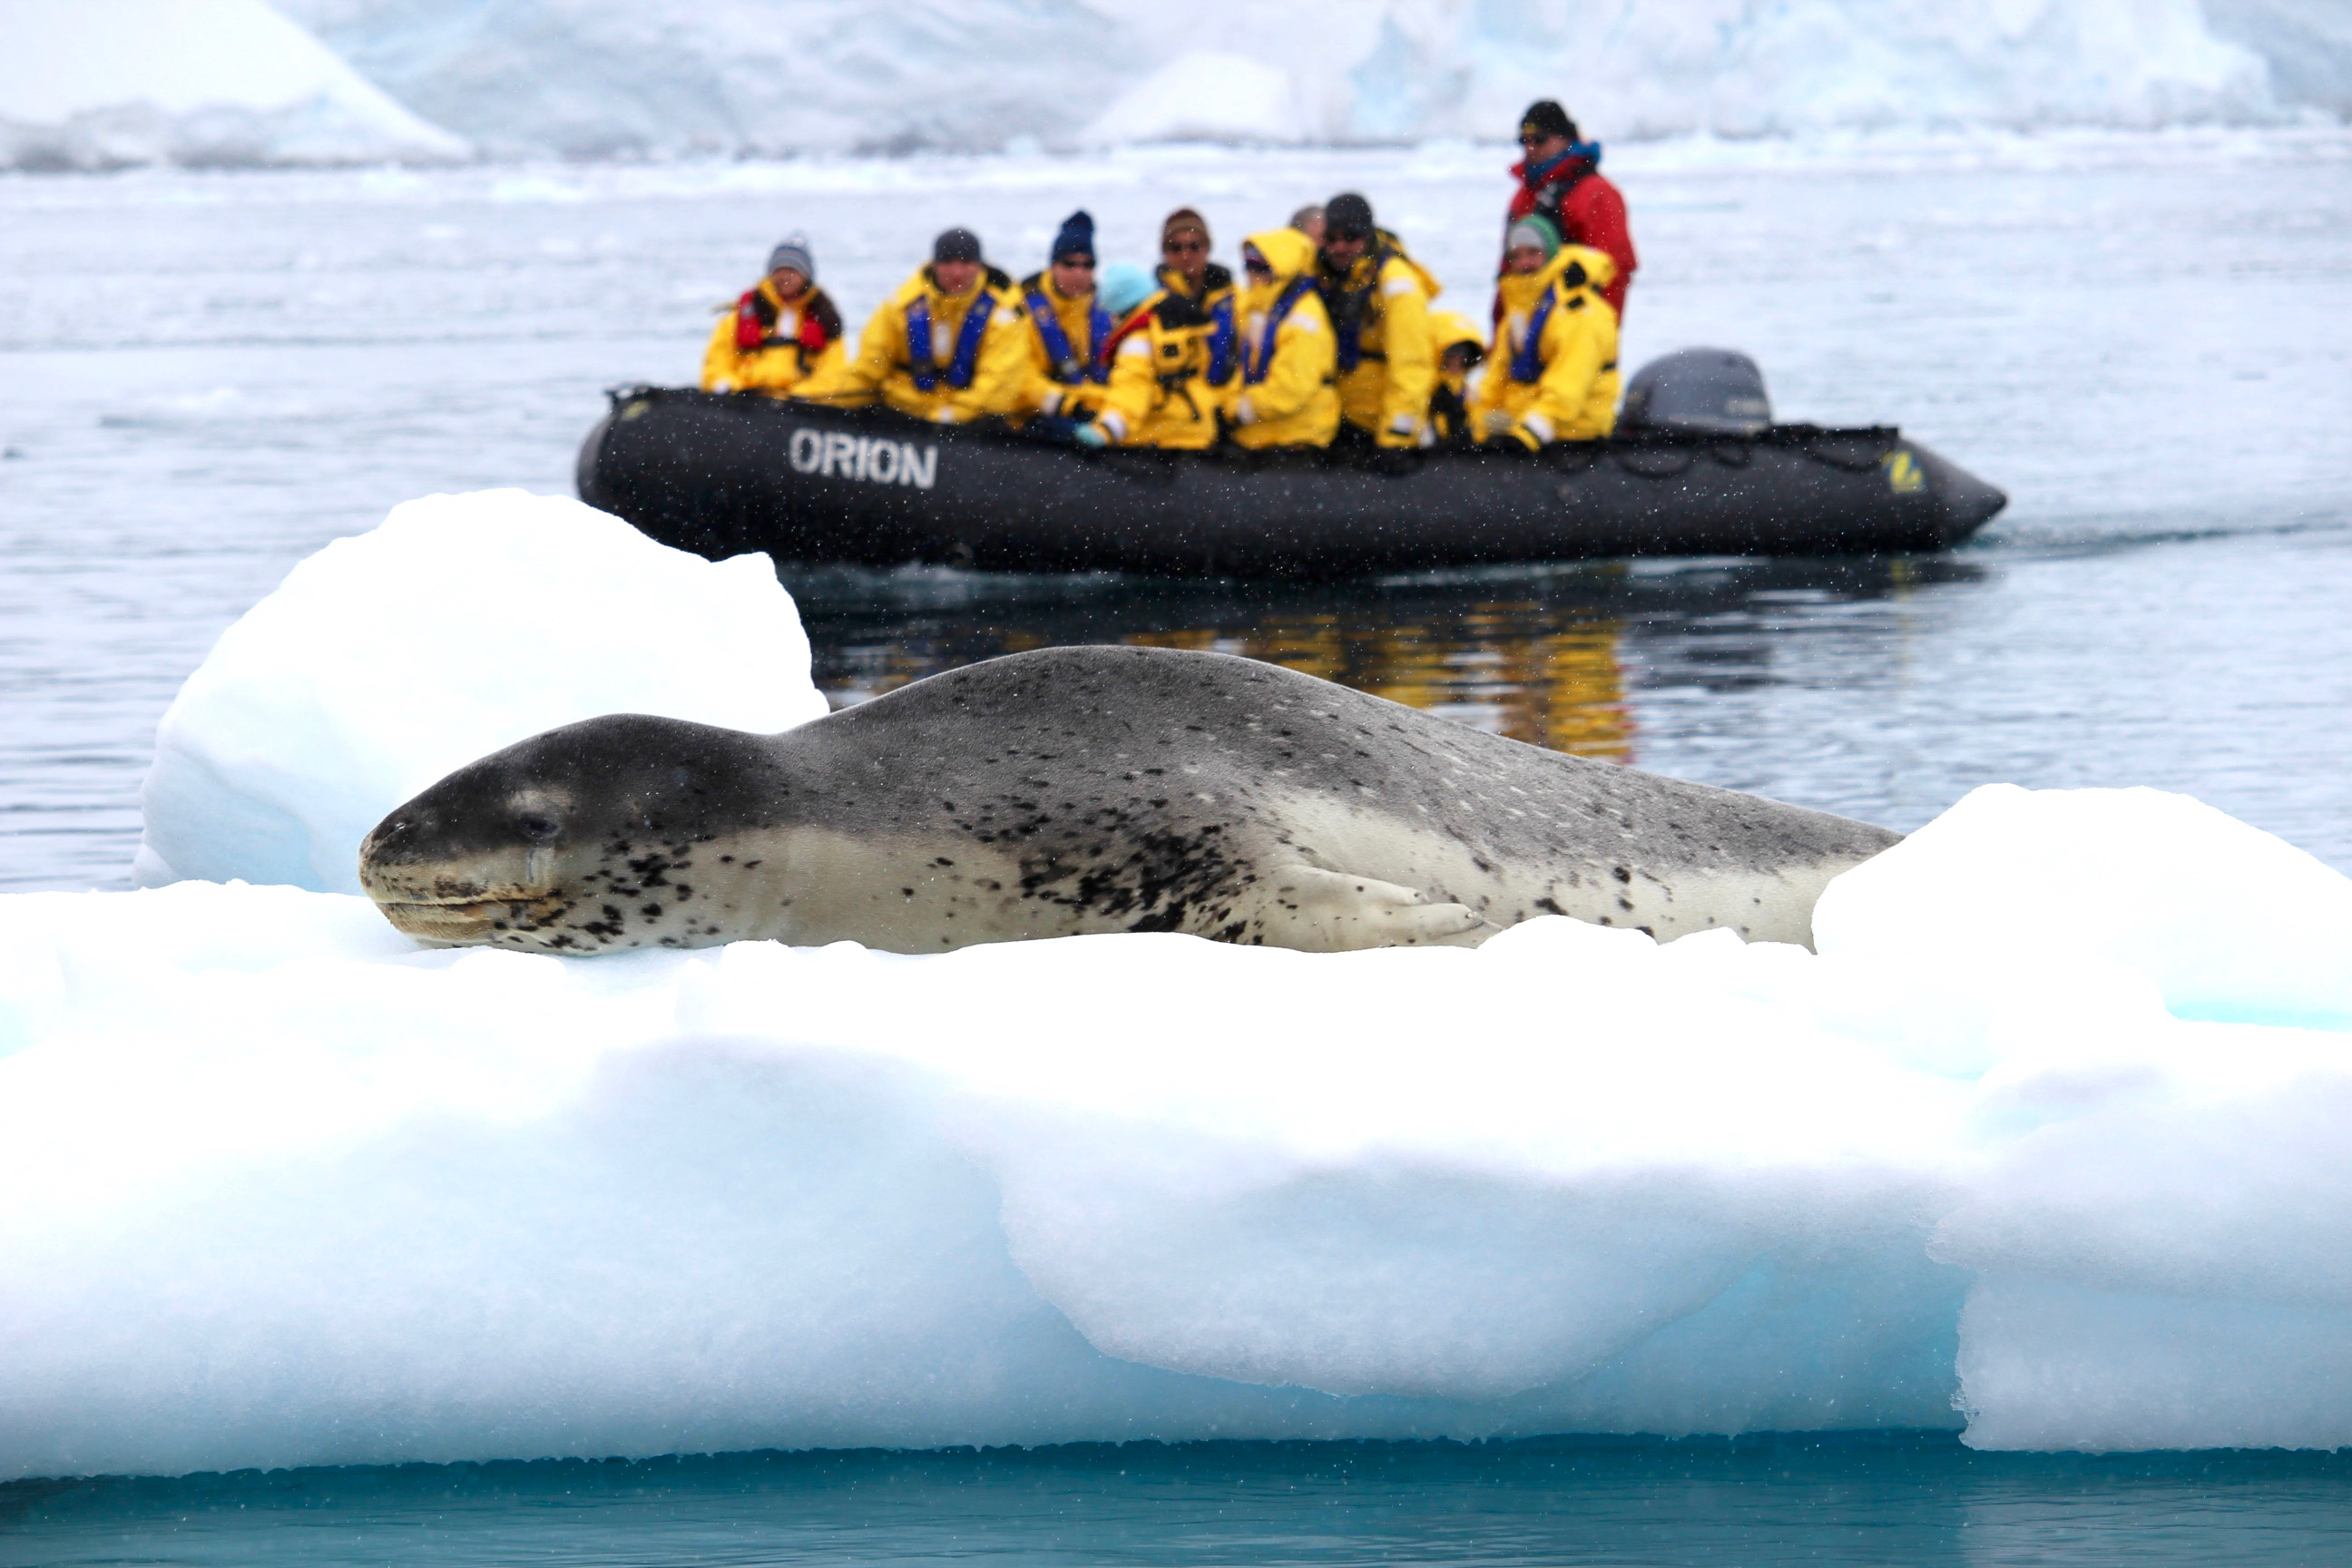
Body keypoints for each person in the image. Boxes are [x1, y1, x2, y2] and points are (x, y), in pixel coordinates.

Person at [795, 227, 1027, 424]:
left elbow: (998, 387)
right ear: (935, 264)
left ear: (979, 266)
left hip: (970, 423)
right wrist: (818, 402)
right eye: (947, 262)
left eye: (966, 263)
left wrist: (946, 418)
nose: (956, 272)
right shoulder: (902, 305)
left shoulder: (1003, 313)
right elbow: (868, 370)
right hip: (905, 414)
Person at [1468, 214, 1620, 448]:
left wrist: (1530, 433)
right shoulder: (1521, 311)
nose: (1525, 263)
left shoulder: (1580, 312)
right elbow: (1496, 375)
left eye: (1533, 253)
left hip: (1572, 425)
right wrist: (1470, 416)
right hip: (1524, 414)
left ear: (1550, 253)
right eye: (1516, 256)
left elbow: (1569, 385)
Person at [1315, 191, 1439, 450]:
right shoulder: (1327, 276)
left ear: (1368, 235)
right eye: (1332, 238)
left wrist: (1397, 434)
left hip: (1374, 423)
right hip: (1337, 420)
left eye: (1350, 237)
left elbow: (1412, 364)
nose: (1340, 247)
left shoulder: (1397, 284)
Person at [1506, 100, 1636, 321]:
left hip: (1576, 326)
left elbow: (1614, 270)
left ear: (1565, 138)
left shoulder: (1596, 194)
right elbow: (1508, 275)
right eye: (1524, 141)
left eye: (1539, 140)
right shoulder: (1525, 197)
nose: (1530, 148)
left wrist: (1598, 332)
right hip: (1526, 331)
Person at [1225, 228, 1339, 450]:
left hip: (1295, 436)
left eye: (1259, 266)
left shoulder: (1304, 319)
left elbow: (1290, 390)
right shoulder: (1261, 309)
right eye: (1248, 265)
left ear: (1281, 270)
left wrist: (1236, 409)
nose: (1251, 274)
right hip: (1264, 432)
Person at [701, 233, 845, 397]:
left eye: (792, 270)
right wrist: (732, 388)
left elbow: (834, 376)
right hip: (743, 404)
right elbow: (716, 367)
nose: (785, 277)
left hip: (800, 408)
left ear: (806, 275)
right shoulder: (738, 318)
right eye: (778, 269)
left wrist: (795, 398)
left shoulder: (826, 320)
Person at [1017, 210, 1113, 424]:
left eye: (1087, 265)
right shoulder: (1022, 309)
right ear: (1053, 265)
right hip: (1040, 413)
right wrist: (1066, 404)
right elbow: (1019, 375)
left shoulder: (1108, 310)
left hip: (1097, 409)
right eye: (1069, 264)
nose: (1078, 273)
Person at [1423, 309, 1486, 447]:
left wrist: (1478, 440)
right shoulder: (1430, 384)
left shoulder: (1467, 387)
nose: (1457, 358)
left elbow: (1477, 419)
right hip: (1435, 443)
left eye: (1463, 354)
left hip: (1458, 446)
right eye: (1452, 353)